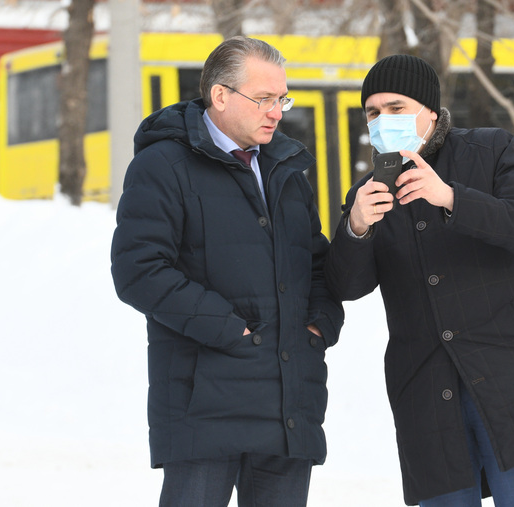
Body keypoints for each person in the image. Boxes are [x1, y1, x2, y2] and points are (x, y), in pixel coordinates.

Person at [325, 54, 514, 506]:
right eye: (372, 113)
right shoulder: (368, 190)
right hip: (428, 397)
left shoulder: (491, 150)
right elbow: (347, 285)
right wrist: (356, 228)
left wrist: (450, 197)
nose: (382, 120)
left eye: (395, 108)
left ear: (430, 110)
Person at [110, 36, 344, 507]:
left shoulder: (287, 169)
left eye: (282, 99)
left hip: (288, 406)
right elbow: (138, 269)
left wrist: (318, 325)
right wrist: (233, 331)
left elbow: (314, 260)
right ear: (220, 96)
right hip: (204, 406)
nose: (277, 112)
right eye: (263, 99)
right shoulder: (163, 164)